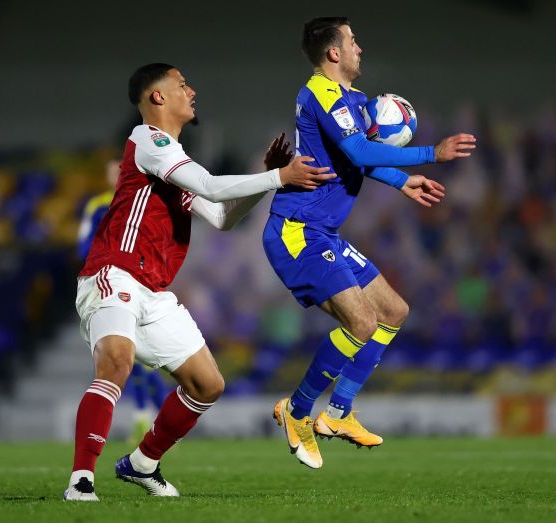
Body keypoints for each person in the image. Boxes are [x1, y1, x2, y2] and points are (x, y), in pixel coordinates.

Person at [64, 62, 334, 501]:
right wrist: (280, 176)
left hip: (153, 291)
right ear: (157, 98)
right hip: (114, 274)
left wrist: (262, 184)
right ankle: (81, 480)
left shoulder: (174, 161)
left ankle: (142, 463)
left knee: (208, 384)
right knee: (115, 362)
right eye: (182, 84)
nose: (192, 90)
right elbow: (209, 185)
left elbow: (224, 217)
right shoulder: (147, 141)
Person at [263, 17, 476, 469]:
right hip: (296, 230)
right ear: (334, 53)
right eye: (353, 40)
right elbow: (359, 153)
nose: (360, 47)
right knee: (361, 321)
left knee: (394, 311)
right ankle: (297, 413)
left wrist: (402, 181)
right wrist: (430, 154)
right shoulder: (319, 92)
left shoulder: (353, 101)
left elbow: (355, 158)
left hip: (324, 233)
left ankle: (338, 413)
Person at [76, 160, 168, 448]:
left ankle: (153, 420)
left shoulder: (144, 201)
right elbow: (82, 246)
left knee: (143, 362)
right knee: (134, 361)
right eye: (112, 171)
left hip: (143, 284)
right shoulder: (98, 206)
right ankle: (151, 420)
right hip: (111, 284)